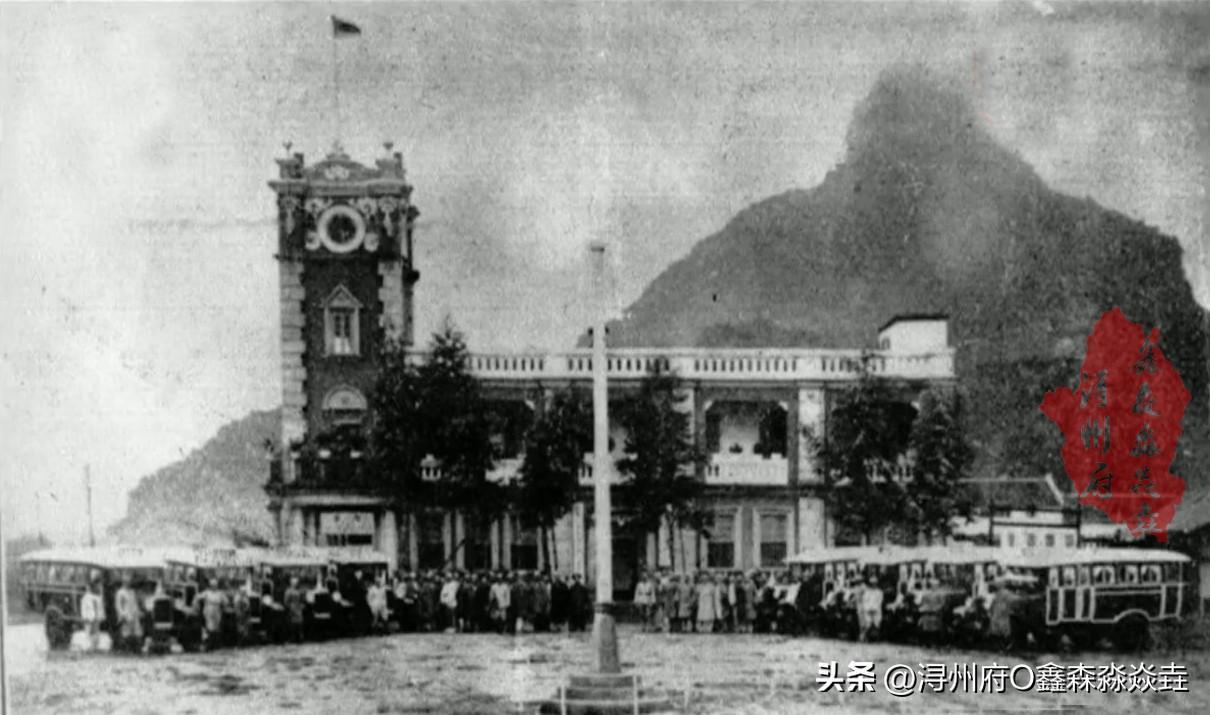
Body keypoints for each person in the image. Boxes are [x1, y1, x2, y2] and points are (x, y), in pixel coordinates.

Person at [114, 577, 143, 653]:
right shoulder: (120, 592)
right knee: (126, 632)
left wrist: (139, 612)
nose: (128, 583)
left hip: (134, 614)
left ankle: (136, 648)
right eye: (127, 581)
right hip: (126, 615)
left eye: (129, 581)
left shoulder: (132, 592)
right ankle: (127, 649)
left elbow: (135, 603)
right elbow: (118, 605)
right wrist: (122, 615)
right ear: (123, 582)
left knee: (137, 631)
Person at [198, 579, 226, 650]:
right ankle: (209, 644)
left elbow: (225, 601)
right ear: (210, 586)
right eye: (212, 585)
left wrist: (223, 607)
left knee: (216, 627)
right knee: (209, 627)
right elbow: (198, 597)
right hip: (208, 610)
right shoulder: (206, 592)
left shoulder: (220, 593)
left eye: (215, 585)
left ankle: (216, 644)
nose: (214, 587)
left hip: (217, 610)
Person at [857, 576, 884, 642]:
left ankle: (876, 638)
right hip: (868, 610)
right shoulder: (867, 592)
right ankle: (866, 637)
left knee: (877, 623)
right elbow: (864, 601)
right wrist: (868, 608)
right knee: (867, 623)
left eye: (874, 583)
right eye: (872, 583)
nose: (873, 585)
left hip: (876, 610)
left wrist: (874, 608)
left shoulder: (879, 592)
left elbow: (879, 601)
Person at [80, 581, 105, 652]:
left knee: (96, 632)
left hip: (96, 617)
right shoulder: (85, 598)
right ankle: (88, 647)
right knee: (88, 632)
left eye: (89, 587)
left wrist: (101, 616)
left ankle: (94, 647)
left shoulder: (97, 598)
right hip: (89, 617)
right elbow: (83, 608)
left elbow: (100, 608)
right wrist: (84, 617)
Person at [283, 577, 305, 643]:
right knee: (293, 623)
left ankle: (299, 637)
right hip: (292, 608)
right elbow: (286, 601)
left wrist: (301, 605)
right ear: (291, 583)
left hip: (298, 607)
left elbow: (301, 599)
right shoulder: (288, 591)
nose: (295, 584)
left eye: (296, 582)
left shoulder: (298, 590)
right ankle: (293, 637)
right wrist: (290, 607)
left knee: (300, 622)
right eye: (294, 582)